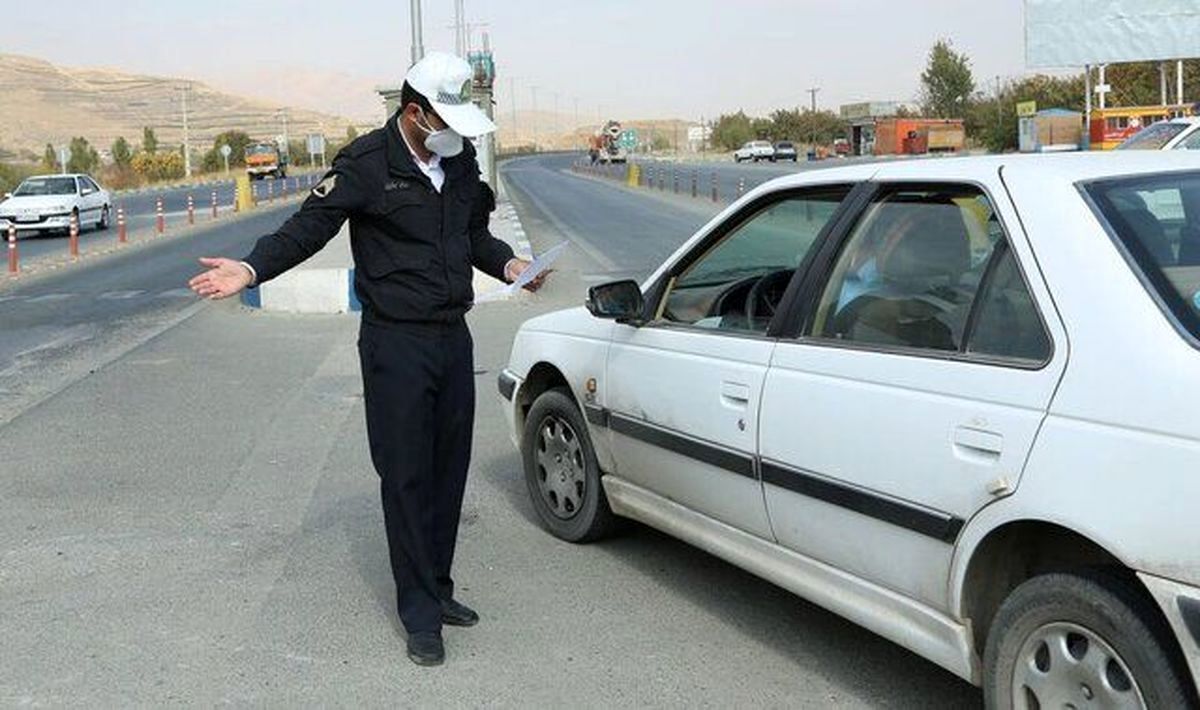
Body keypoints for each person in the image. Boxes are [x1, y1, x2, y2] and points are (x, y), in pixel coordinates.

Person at [188, 52, 545, 667]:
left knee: (447, 471)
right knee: (406, 475)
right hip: (395, 342)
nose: (455, 133)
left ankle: (440, 587)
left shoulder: (457, 167)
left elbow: (474, 237)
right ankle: (419, 615)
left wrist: (511, 265)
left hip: (452, 338)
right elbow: (307, 228)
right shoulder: (366, 165)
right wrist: (249, 268)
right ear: (414, 112)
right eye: (446, 119)